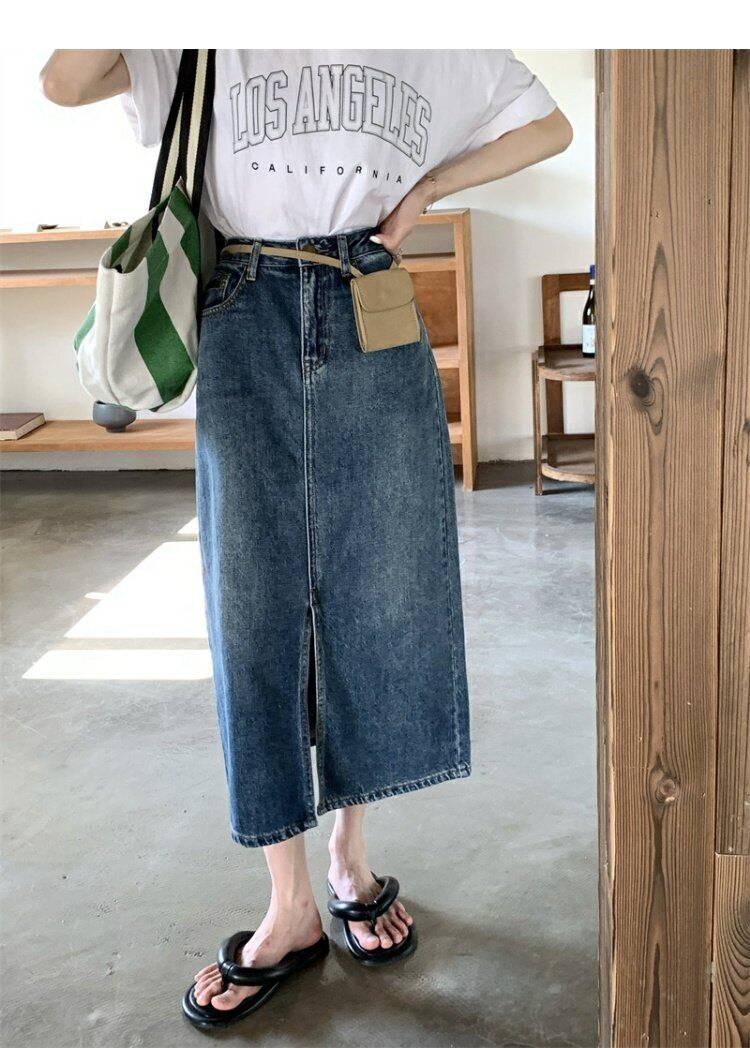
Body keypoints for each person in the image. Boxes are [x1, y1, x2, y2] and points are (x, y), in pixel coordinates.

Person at [41, 48, 573, 1029]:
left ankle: (349, 857)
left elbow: (551, 126)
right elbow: (64, 81)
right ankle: (288, 903)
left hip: (370, 295)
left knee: (380, 587)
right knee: (253, 607)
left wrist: (428, 189)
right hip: (241, 306)